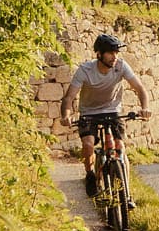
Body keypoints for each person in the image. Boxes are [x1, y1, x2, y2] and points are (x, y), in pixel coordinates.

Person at [59, 34, 148, 194]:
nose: (114, 56)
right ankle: (90, 173)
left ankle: (126, 193)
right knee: (88, 145)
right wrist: (66, 115)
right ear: (99, 54)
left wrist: (145, 108)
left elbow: (140, 89)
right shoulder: (85, 70)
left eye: (116, 53)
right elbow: (69, 97)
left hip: (113, 111)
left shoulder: (121, 66)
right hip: (89, 113)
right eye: (110, 53)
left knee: (120, 148)